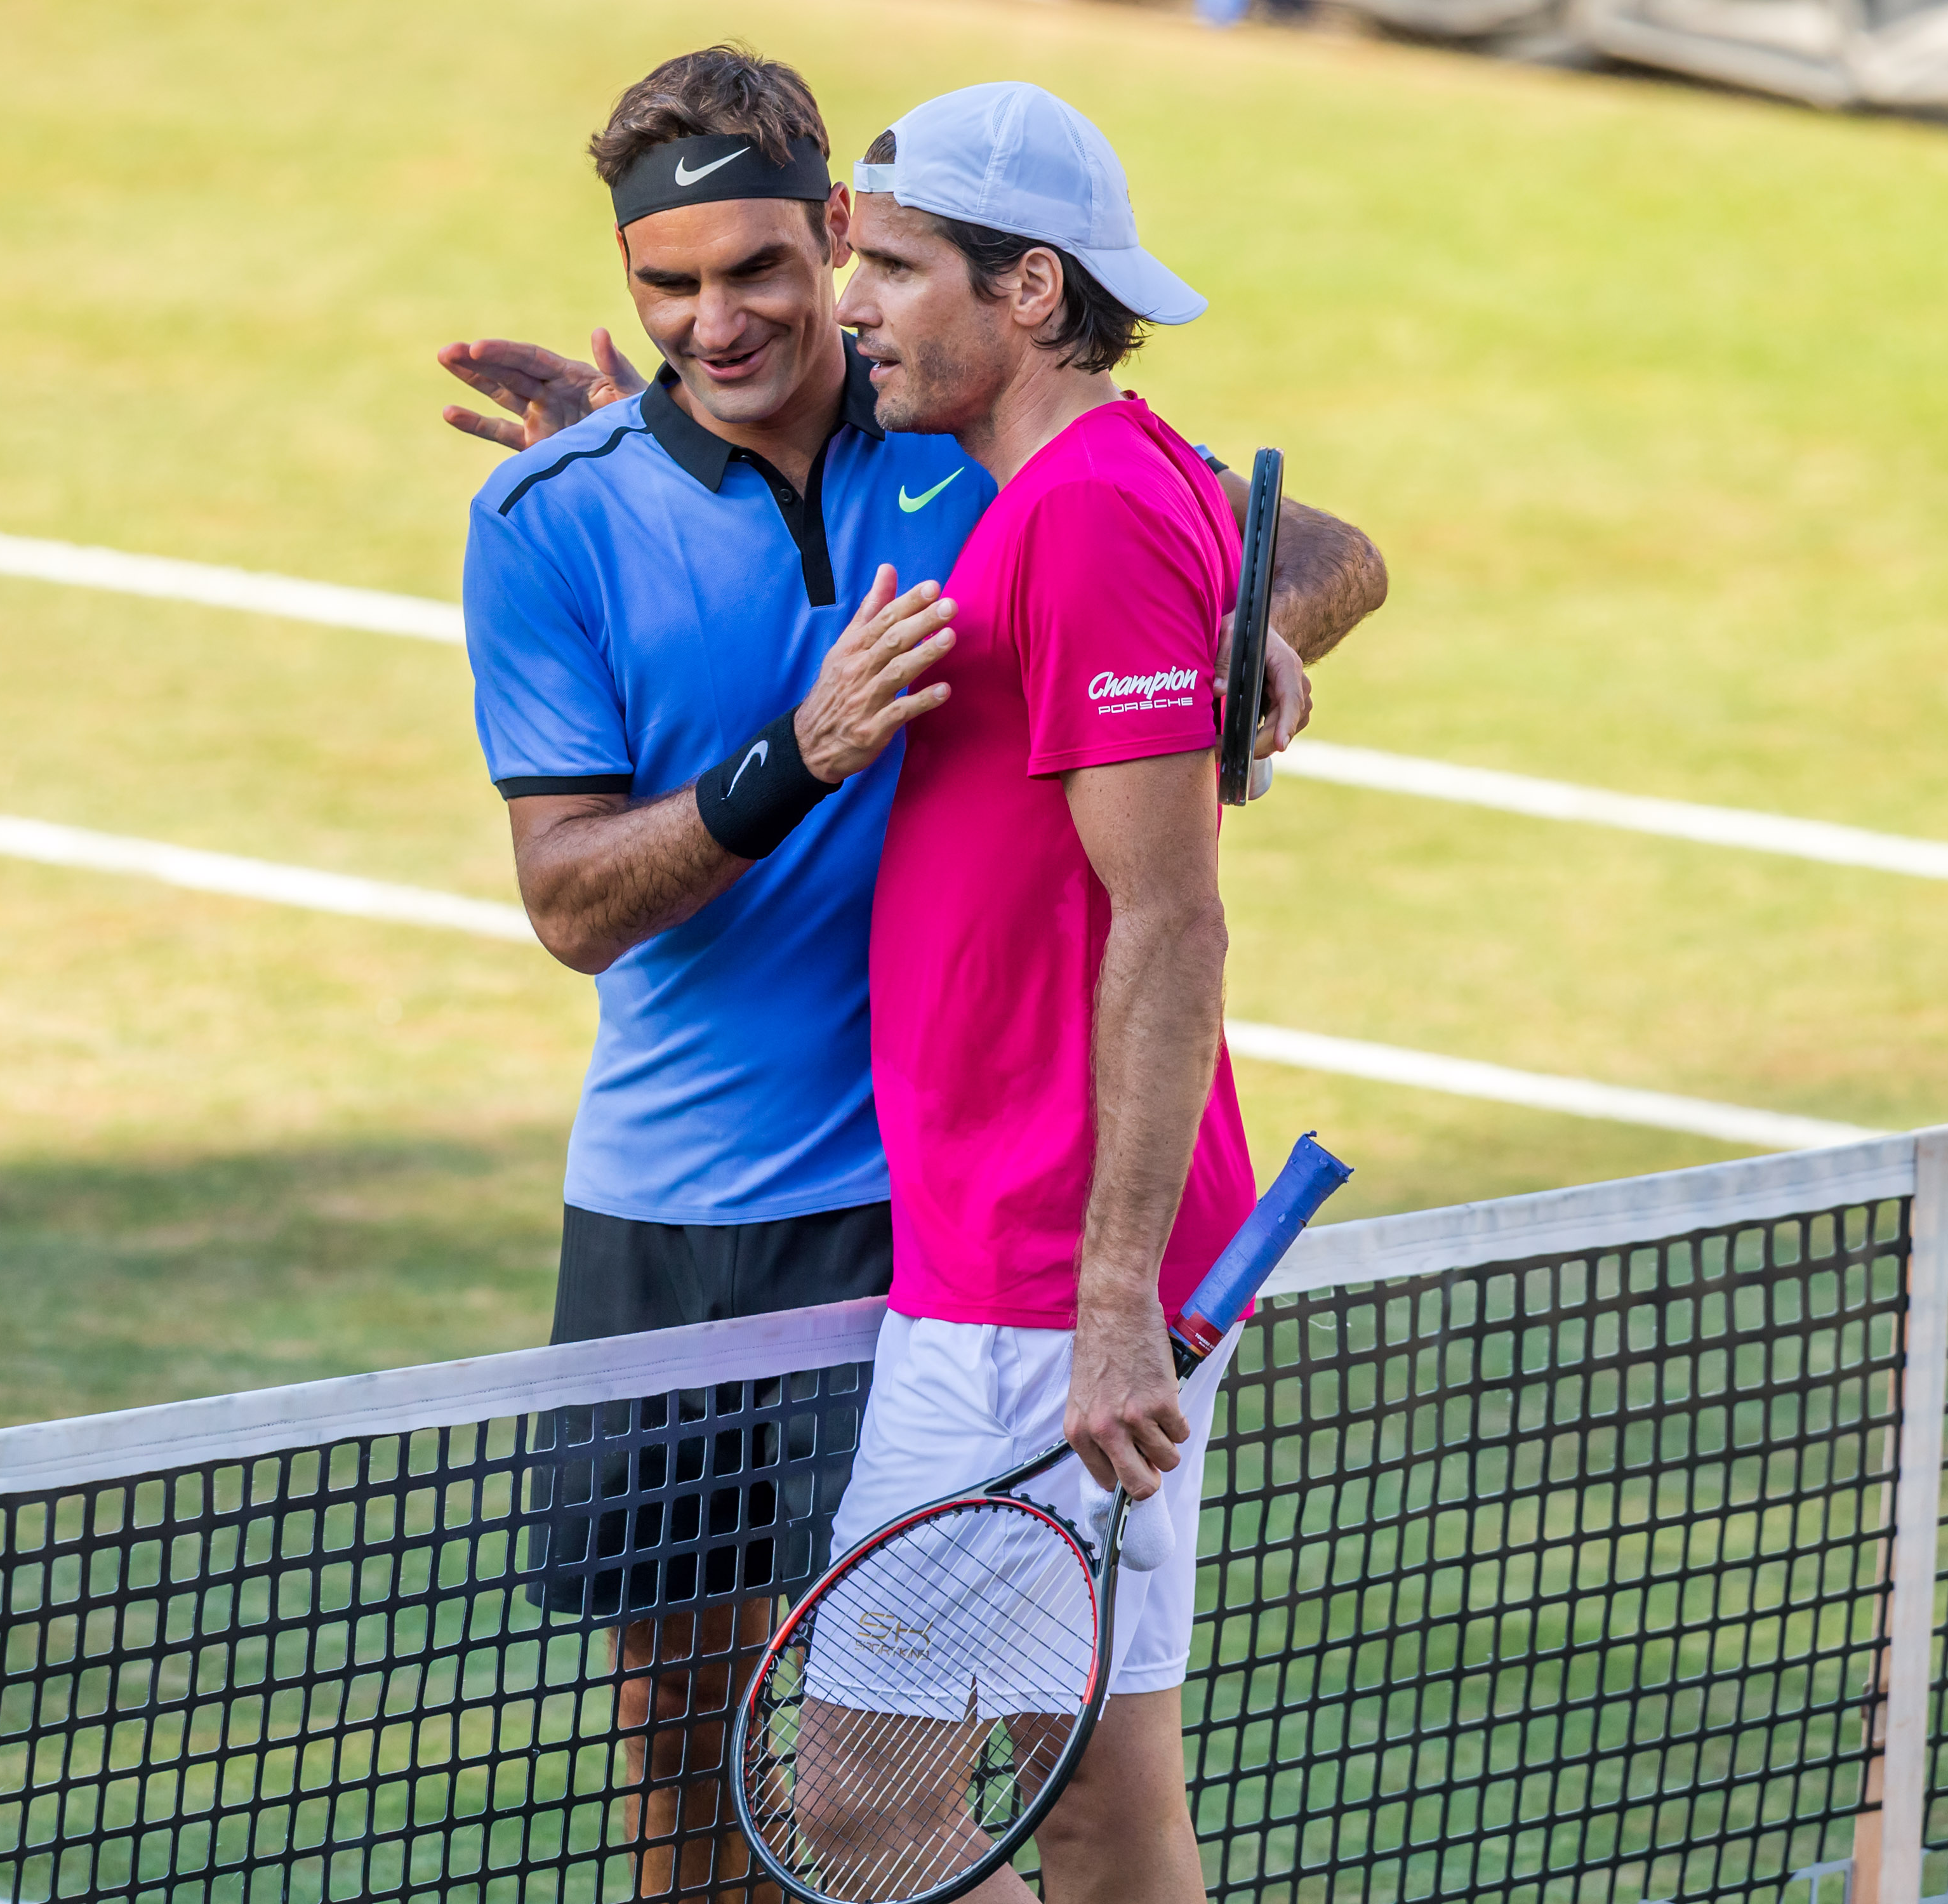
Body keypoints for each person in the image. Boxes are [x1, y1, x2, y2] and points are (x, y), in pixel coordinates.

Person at [444, 48, 1387, 1901]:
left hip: (960, 1217)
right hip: (694, 1213)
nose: (727, 321)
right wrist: (778, 756)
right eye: (670, 288)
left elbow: (1315, 555)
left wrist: (1245, 641)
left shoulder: (967, 438)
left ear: (837, 236)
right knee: (699, 1769)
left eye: (774, 272)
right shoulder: (557, 516)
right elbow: (567, 906)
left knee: (1008, 1768)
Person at [790, 81, 1273, 1904]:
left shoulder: (1081, 518)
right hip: (1054, 1248)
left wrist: (1101, 1302)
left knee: (859, 1804)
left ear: (1034, 294)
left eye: (900, 272)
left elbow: (1170, 921)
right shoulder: (1115, 482)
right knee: (1096, 1802)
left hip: (1037, 1269)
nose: (856, 308)